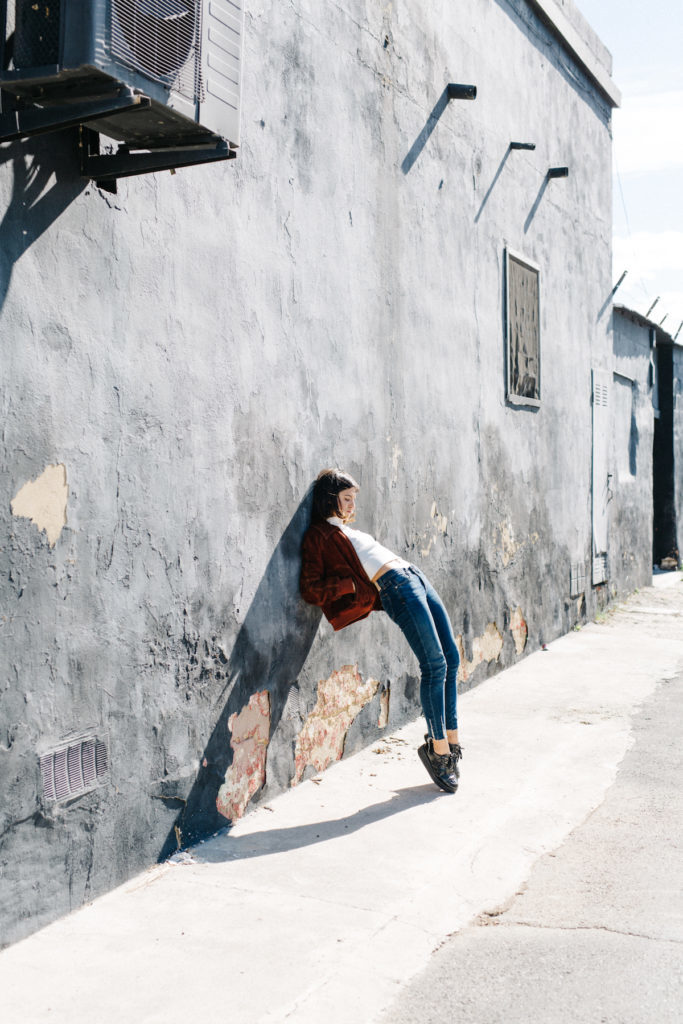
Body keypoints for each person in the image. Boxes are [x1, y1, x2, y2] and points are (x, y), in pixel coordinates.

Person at [300, 468, 462, 793]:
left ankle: (453, 741)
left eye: (352, 499)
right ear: (329, 499)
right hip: (395, 585)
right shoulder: (319, 535)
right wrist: (349, 585)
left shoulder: (347, 530)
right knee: (435, 665)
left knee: (452, 658)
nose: (350, 505)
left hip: (413, 575)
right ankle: (438, 749)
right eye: (345, 498)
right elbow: (310, 589)